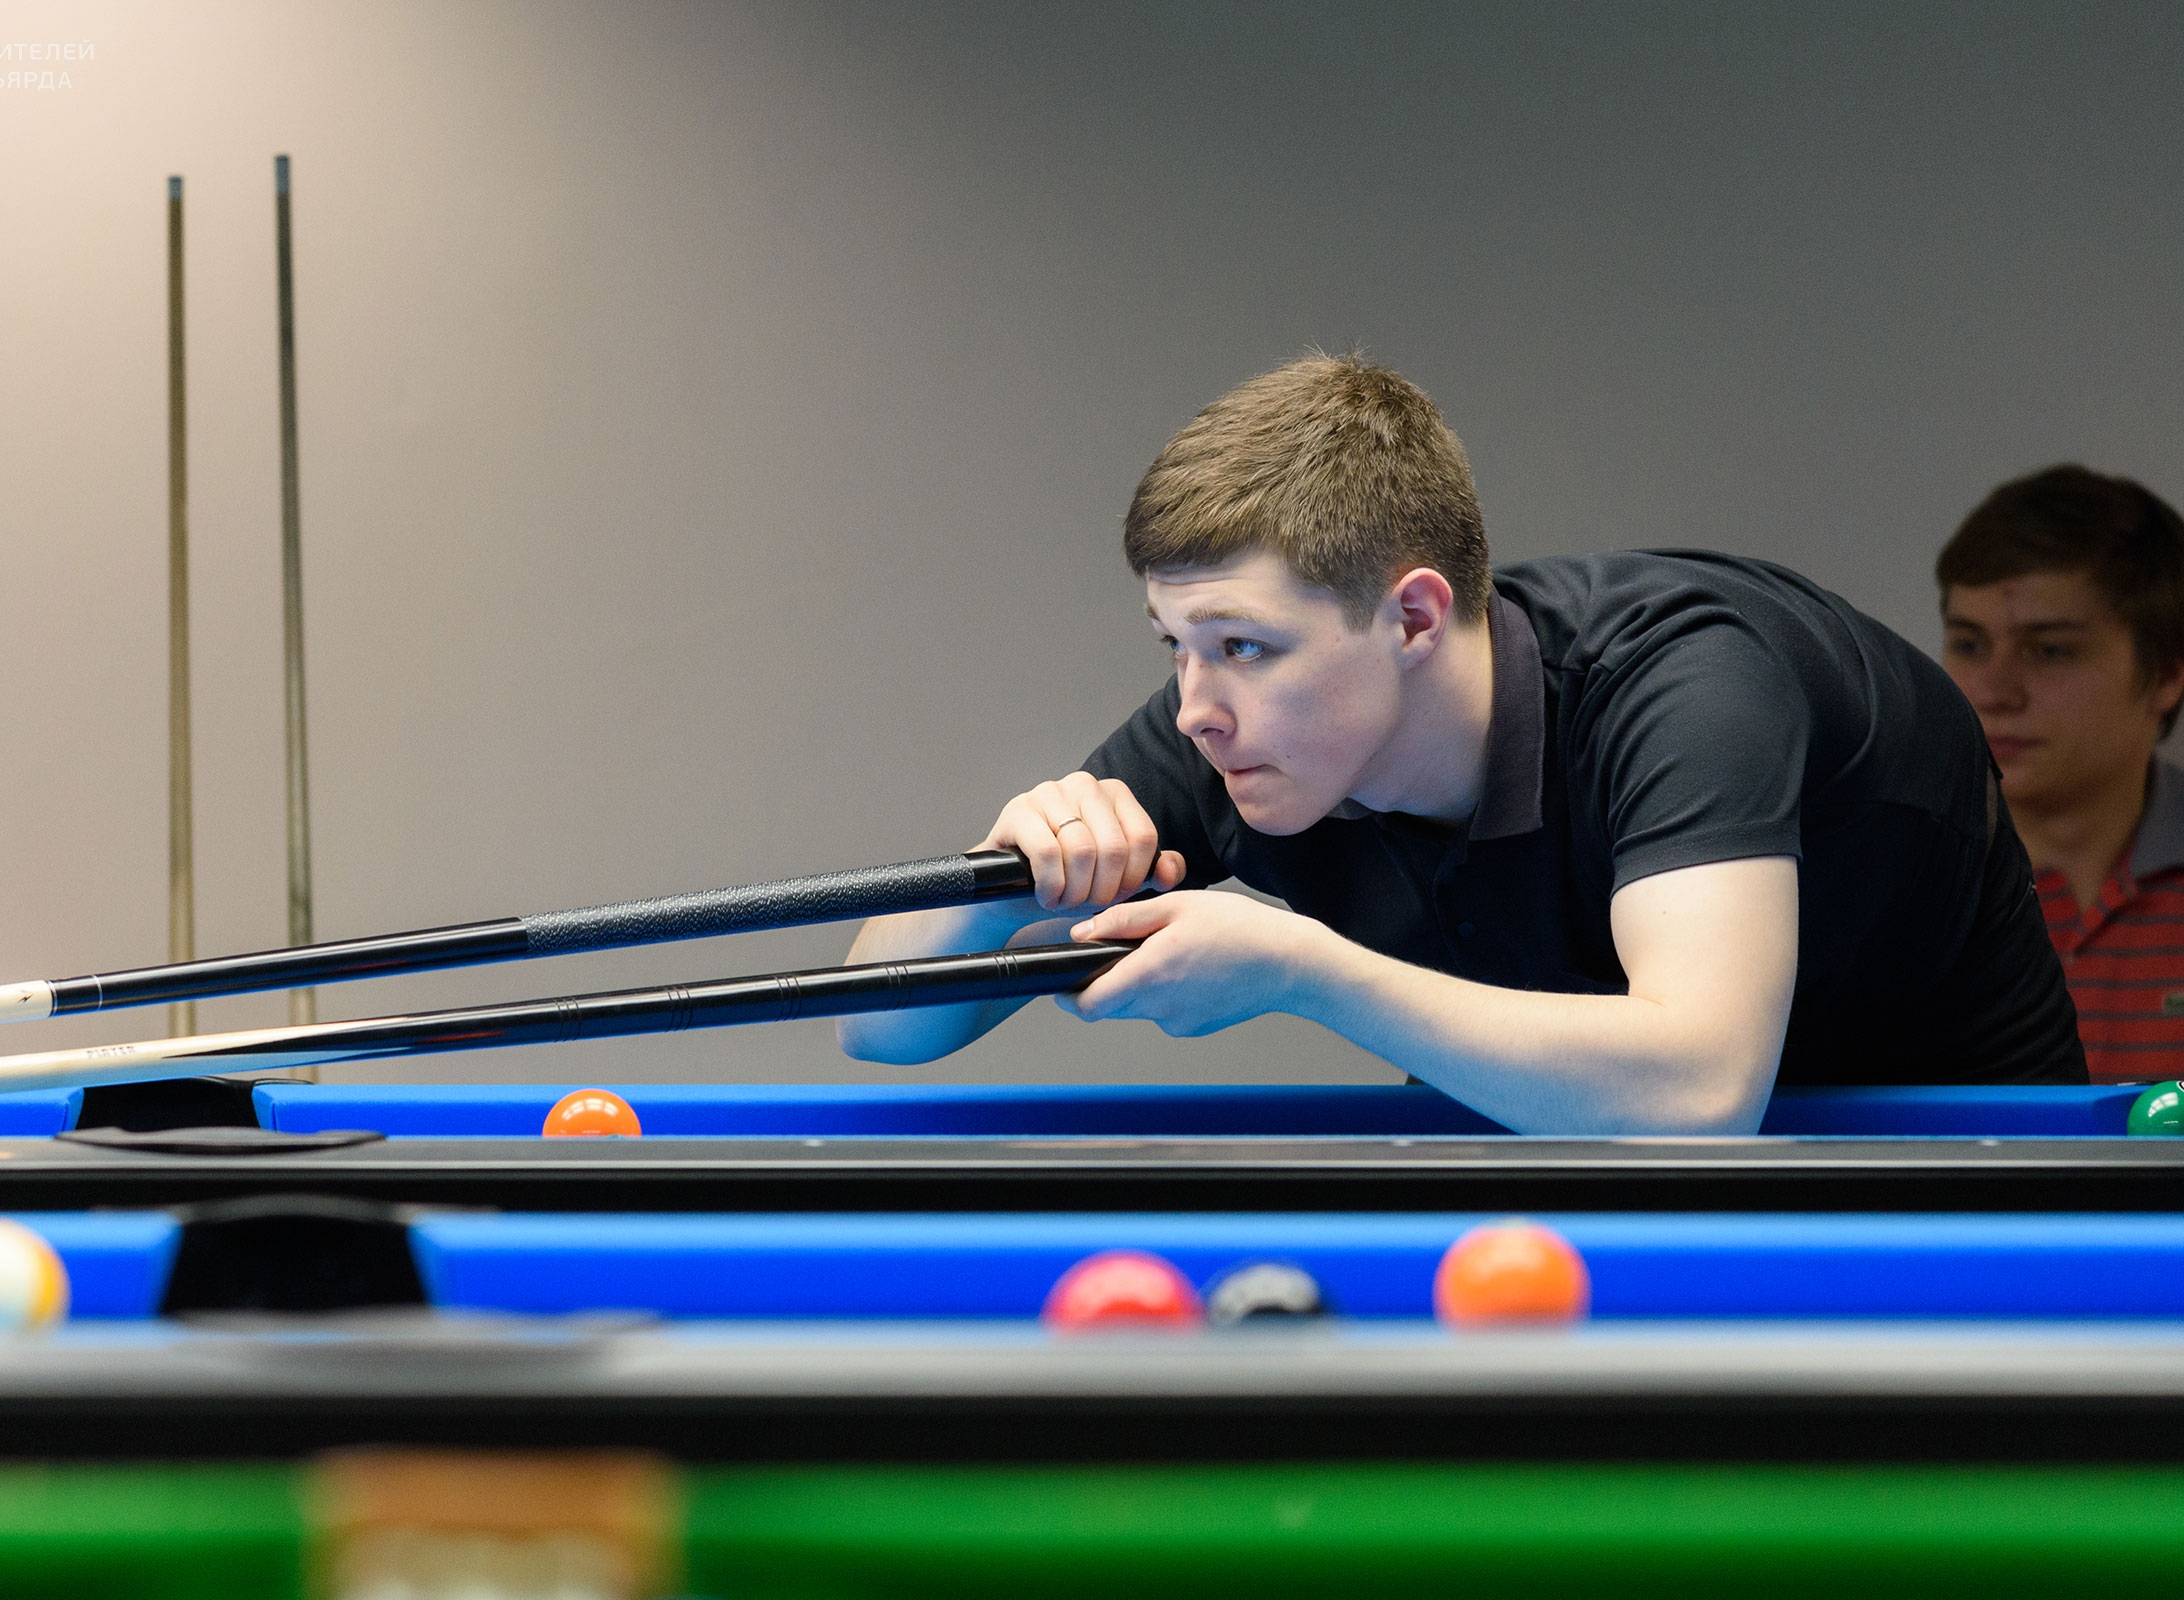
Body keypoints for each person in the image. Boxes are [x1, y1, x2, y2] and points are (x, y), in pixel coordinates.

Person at [840, 356, 2084, 1132]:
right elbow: (880, 1025)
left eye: (1243, 643)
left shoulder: (1689, 687)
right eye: (1176, 644)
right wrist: (1007, 874)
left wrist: (1305, 970)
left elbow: (1698, 1094)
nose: (1196, 703)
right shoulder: (1240, 736)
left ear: (1415, 617)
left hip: (1962, 1152)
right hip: (1573, 1129)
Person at [1937, 466, 2184, 1084]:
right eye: (1969, 645)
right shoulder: (1899, 880)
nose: (1994, 692)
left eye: (2050, 650)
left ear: (2166, 675)